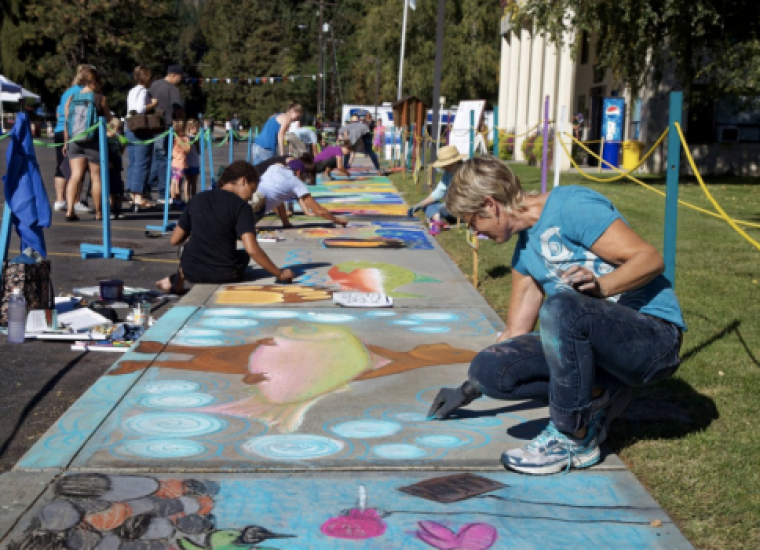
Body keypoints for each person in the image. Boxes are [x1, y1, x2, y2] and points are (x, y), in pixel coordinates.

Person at [428, 155, 685, 475]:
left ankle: (573, 436)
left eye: (471, 221)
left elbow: (650, 259)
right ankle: (600, 394)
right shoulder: (524, 254)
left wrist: (601, 288)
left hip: (652, 339)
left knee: (562, 306)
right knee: (491, 365)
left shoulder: (570, 206)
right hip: (596, 344)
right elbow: (514, 338)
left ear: (490, 205)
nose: (474, 231)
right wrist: (468, 389)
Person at [155, 161, 295, 294]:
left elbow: (174, 240)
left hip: (192, 272)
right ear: (243, 181)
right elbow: (252, 249)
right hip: (226, 273)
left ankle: (177, 282)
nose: (251, 197)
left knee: (186, 249)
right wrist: (280, 273)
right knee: (243, 256)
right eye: (252, 191)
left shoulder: (198, 198)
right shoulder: (241, 207)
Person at [63, 67, 114, 222]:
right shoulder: (101, 98)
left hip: (74, 140)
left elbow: (67, 122)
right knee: (96, 177)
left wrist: (66, 142)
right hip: (94, 142)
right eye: (99, 81)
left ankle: (70, 210)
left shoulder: (71, 98)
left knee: (75, 176)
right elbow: (108, 120)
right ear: (93, 82)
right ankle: (99, 212)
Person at [254, 162, 348, 229]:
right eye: (304, 176)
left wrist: (285, 223)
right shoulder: (296, 182)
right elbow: (319, 211)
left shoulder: (275, 167)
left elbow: (278, 199)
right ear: (299, 172)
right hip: (255, 207)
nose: (304, 180)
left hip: (248, 195)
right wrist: (337, 220)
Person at [407, 145, 466, 234]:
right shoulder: (448, 173)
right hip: (450, 207)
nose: (443, 167)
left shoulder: (466, 172)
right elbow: (438, 193)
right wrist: (419, 205)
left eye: (445, 165)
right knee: (427, 204)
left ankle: (435, 220)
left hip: (464, 209)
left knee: (440, 208)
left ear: (455, 162)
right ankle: (438, 220)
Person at [53, 64, 87, 213]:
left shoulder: (68, 92)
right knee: (77, 169)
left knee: (61, 165)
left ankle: (60, 199)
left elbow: (59, 112)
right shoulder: (83, 92)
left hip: (59, 130)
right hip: (74, 131)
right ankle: (76, 200)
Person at [149, 64, 185, 203]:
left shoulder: (154, 85)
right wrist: (182, 123)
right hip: (165, 127)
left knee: (154, 158)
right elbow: (178, 109)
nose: (180, 80)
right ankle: (163, 194)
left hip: (151, 126)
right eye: (180, 77)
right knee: (164, 159)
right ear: (174, 75)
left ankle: (147, 187)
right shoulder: (172, 89)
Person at [125, 65, 158, 212]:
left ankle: (132, 193)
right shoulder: (143, 91)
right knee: (142, 162)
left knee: (133, 162)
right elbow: (140, 109)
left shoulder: (132, 90)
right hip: (140, 128)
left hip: (129, 126)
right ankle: (138, 195)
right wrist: (152, 104)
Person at [106, 119, 126, 219]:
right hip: (109, 167)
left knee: (117, 189)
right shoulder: (106, 139)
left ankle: (116, 209)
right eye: (117, 129)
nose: (119, 131)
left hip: (117, 166)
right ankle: (111, 209)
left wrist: (123, 145)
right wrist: (107, 162)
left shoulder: (117, 139)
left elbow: (121, 151)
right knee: (110, 190)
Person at [170, 118, 191, 208]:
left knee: (174, 181)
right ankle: (177, 199)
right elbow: (187, 150)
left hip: (174, 162)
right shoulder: (184, 139)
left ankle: (173, 198)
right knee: (178, 182)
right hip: (180, 163)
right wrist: (184, 143)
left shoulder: (173, 138)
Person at [184, 119, 201, 201]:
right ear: (192, 127)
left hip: (191, 162)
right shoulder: (191, 138)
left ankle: (190, 199)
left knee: (190, 182)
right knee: (190, 182)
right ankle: (189, 198)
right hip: (191, 163)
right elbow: (198, 150)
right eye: (196, 128)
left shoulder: (186, 137)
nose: (197, 130)